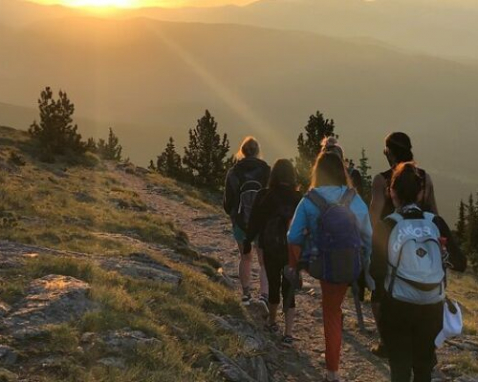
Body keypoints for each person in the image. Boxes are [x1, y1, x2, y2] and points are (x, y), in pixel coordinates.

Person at [370, 162, 466, 382]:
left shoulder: (388, 225)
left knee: (400, 369)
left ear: (391, 192)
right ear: (421, 193)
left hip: (398, 305)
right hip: (432, 304)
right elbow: (460, 263)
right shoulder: (436, 223)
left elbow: (376, 269)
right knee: (423, 368)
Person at [287, 152, 373, 382]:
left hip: (322, 264)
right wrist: (366, 262)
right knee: (334, 305)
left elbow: (293, 235)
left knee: (331, 311)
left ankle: (333, 371)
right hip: (349, 263)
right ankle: (333, 358)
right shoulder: (354, 199)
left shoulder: (310, 200)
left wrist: (296, 263)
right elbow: (368, 235)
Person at [369, 132, 438, 357]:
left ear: (388, 152)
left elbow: (373, 219)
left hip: (392, 245)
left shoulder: (381, 180)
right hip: (423, 245)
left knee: (381, 293)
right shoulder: (424, 178)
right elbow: (434, 213)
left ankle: (387, 341)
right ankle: (423, 342)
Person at [243, 159, 302, 347]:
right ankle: (289, 333)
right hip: (292, 250)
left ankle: (272, 322)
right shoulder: (298, 198)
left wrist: (247, 242)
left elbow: (255, 221)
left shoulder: (265, 195)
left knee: (274, 284)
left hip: (270, 247)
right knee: (290, 289)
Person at [223, 136, 270, 307]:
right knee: (264, 261)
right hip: (262, 223)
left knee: (245, 257)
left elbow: (227, 203)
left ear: (241, 151)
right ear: (258, 151)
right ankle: (264, 296)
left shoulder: (234, 172)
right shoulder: (266, 170)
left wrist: (234, 217)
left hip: (241, 222)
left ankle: (246, 295)